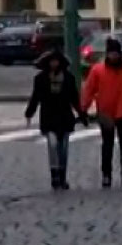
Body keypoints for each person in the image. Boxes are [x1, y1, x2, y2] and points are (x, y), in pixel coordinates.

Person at [81, 37, 122, 190]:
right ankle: (106, 175)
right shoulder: (98, 70)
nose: (114, 57)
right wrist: (83, 108)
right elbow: (89, 90)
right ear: (107, 54)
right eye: (111, 54)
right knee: (107, 145)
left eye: (116, 54)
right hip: (106, 112)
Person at [25, 48, 85, 190]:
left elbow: (74, 99)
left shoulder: (69, 78)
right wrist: (29, 113)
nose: (54, 64)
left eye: (56, 61)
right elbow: (36, 97)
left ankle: (62, 176)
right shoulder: (40, 79)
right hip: (49, 117)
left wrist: (82, 115)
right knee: (52, 145)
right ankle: (55, 176)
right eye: (52, 61)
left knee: (63, 149)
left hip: (65, 118)